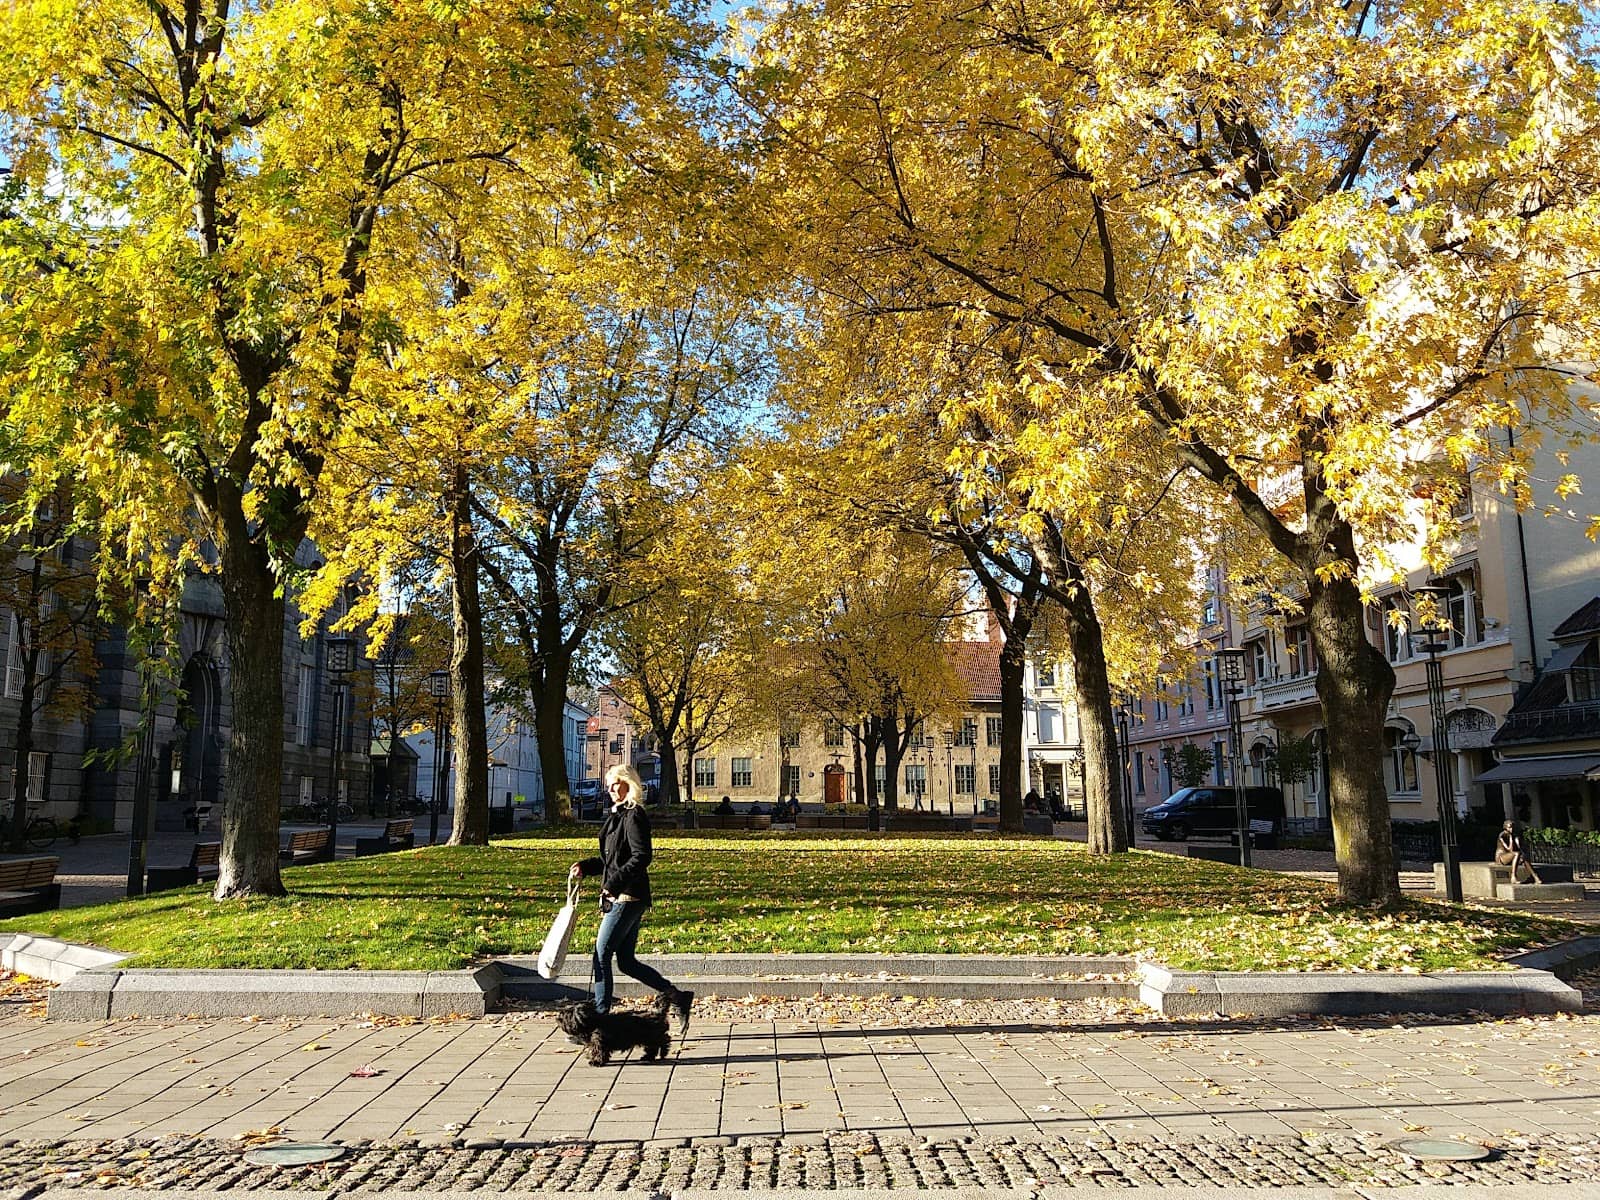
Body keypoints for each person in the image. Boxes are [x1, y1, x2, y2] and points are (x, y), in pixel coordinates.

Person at [569, 763, 694, 1029]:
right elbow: (612, 859)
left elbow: (641, 857)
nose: (612, 789)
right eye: (609, 784)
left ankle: (600, 1019)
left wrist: (613, 885)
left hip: (628, 897)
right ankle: (678, 997)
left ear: (629, 784)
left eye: (617, 783)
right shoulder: (616, 815)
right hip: (622, 894)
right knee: (625, 962)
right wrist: (587, 866)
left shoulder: (634, 815)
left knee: (601, 954)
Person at [1494, 820, 1543, 884]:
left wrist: (1517, 840)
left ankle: (1535, 877)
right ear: (1505, 827)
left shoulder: (1514, 834)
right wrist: (1511, 839)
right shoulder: (1502, 836)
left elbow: (1519, 848)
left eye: (1512, 827)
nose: (1511, 829)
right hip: (1501, 857)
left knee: (1523, 858)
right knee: (1516, 854)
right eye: (1509, 827)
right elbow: (1509, 849)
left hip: (1511, 856)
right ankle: (1513, 876)